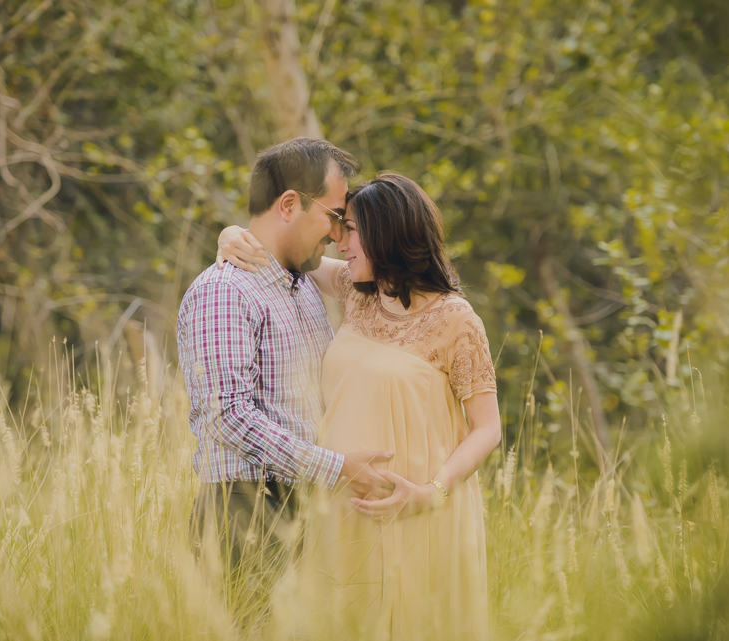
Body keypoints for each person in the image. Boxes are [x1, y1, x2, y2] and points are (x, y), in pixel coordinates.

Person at [217, 172, 502, 640]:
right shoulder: (358, 291)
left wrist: (433, 491)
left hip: (416, 507)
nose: (339, 241)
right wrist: (232, 234)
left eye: (350, 229)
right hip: (343, 504)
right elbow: (287, 250)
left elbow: (486, 429)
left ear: (389, 233)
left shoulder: (456, 320)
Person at [176, 138, 395, 625]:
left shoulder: (304, 288)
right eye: (336, 216)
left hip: (307, 507)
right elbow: (228, 415)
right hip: (246, 511)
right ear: (290, 204)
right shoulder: (224, 290)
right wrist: (336, 468)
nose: (339, 235)